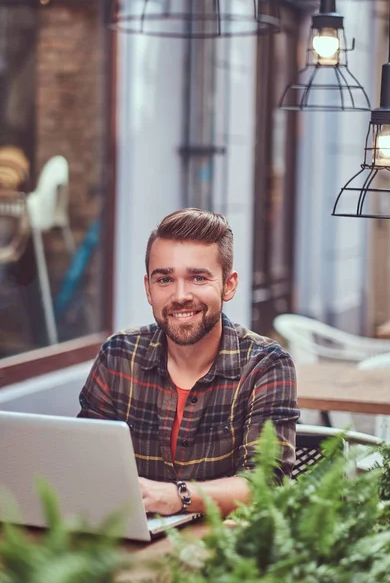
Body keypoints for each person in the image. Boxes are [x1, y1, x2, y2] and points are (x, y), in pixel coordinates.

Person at [78, 208, 299, 517]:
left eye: (198, 277)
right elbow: (83, 463)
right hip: (128, 546)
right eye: (165, 279)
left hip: (225, 552)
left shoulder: (266, 365)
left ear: (229, 285)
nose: (180, 295)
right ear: (148, 289)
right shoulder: (118, 356)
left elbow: (267, 482)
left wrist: (179, 496)